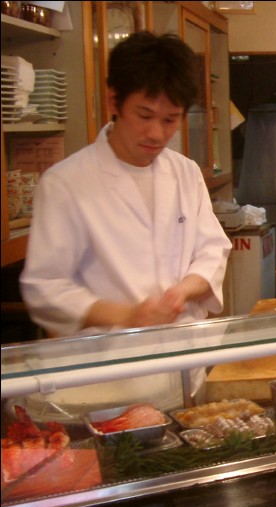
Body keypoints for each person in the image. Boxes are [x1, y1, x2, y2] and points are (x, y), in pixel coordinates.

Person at [21, 31, 232, 337]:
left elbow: (213, 249)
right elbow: (45, 288)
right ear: (113, 101)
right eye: (144, 115)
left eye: (170, 119)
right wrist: (129, 315)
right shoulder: (66, 183)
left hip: (182, 358)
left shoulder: (185, 172)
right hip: (105, 371)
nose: (157, 134)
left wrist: (184, 290)